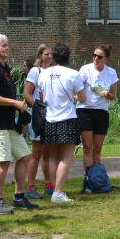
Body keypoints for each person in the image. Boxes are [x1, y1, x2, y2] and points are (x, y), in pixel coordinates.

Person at [0, 33, 31, 214]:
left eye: (7, 44)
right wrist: (14, 103)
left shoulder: (4, 68)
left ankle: (18, 197)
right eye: (3, 45)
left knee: (24, 156)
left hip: (9, 123)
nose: (7, 47)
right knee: (3, 161)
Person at [35, 42, 85, 203]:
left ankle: (55, 190)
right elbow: (83, 98)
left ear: (54, 57)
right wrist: (74, 97)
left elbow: (41, 96)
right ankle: (58, 192)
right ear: (68, 56)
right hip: (67, 118)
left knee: (52, 157)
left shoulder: (43, 74)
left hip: (49, 118)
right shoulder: (73, 74)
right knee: (66, 157)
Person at [78, 43, 119, 182]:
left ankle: (97, 179)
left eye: (99, 57)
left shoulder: (111, 72)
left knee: (97, 148)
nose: (95, 58)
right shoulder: (85, 69)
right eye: (94, 55)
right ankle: (88, 179)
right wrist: (79, 96)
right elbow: (76, 88)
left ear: (106, 59)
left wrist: (106, 94)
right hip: (84, 110)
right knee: (87, 147)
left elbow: (113, 96)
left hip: (101, 112)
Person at [22, 44, 52, 202]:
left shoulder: (53, 71)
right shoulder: (35, 71)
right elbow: (27, 94)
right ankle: (30, 187)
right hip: (39, 116)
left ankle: (49, 184)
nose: (50, 56)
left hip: (51, 115)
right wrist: (38, 108)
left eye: (51, 54)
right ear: (40, 55)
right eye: (47, 54)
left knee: (48, 152)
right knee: (36, 152)